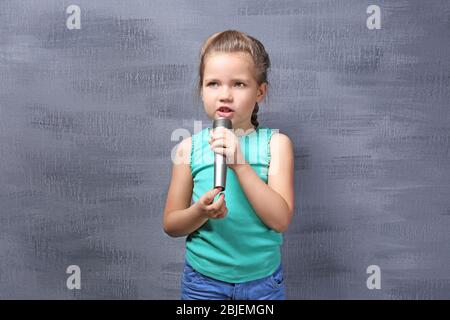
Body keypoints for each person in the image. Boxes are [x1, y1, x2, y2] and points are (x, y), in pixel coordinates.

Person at [163, 30, 295, 300]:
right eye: (213, 83)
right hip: (203, 283)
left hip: (262, 284)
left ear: (260, 91)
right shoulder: (187, 149)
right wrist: (200, 211)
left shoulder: (276, 144)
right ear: (201, 90)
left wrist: (240, 165)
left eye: (238, 84)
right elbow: (172, 224)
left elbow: (280, 220)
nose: (224, 95)